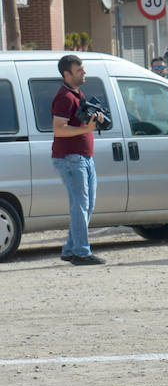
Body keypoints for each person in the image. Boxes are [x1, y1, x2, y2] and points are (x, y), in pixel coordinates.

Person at [51, 54, 109, 266]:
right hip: (70, 158)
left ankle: (69, 249)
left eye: (83, 69)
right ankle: (81, 253)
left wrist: (95, 119)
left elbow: (80, 120)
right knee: (80, 205)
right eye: (79, 70)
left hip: (83, 157)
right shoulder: (64, 98)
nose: (84, 72)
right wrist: (88, 128)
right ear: (67, 74)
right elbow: (58, 129)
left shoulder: (77, 93)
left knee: (86, 204)